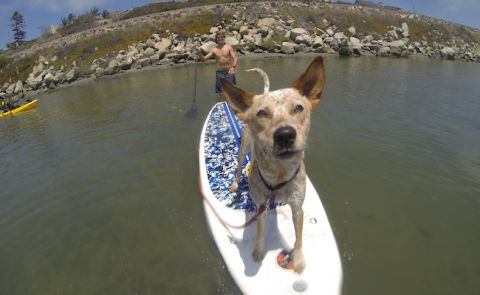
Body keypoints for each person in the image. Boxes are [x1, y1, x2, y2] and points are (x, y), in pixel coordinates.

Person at [197, 31, 238, 99]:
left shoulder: (228, 47)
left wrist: (233, 67)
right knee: (221, 92)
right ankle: (223, 104)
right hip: (220, 73)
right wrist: (199, 53)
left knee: (232, 90)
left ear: (224, 38)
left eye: (222, 37)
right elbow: (203, 59)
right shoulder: (214, 50)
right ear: (216, 39)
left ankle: (234, 104)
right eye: (218, 37)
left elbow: (235, 58)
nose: (220, 39)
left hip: (229, 71)